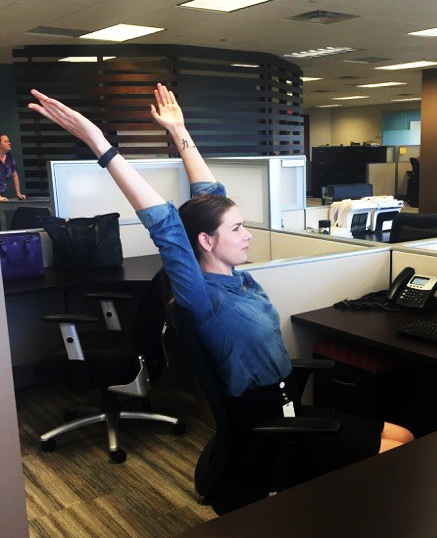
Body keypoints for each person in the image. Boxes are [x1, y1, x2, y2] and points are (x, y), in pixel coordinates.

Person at [28, 84, 414, 465]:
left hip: (289, 406)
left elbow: (212, 195)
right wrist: (101, 145)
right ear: (205, 242)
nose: (247, 235)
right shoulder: (203, 297)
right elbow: (165, 227)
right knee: (399, 451)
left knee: (406, 434)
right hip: (268, 422)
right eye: (236, 229)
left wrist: (179, 131)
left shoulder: (237, 279)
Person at [0, 134, 26, 201]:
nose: (9, 143)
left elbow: (14, 175)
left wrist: (18, 193)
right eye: (6, 141)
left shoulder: (10, 158)